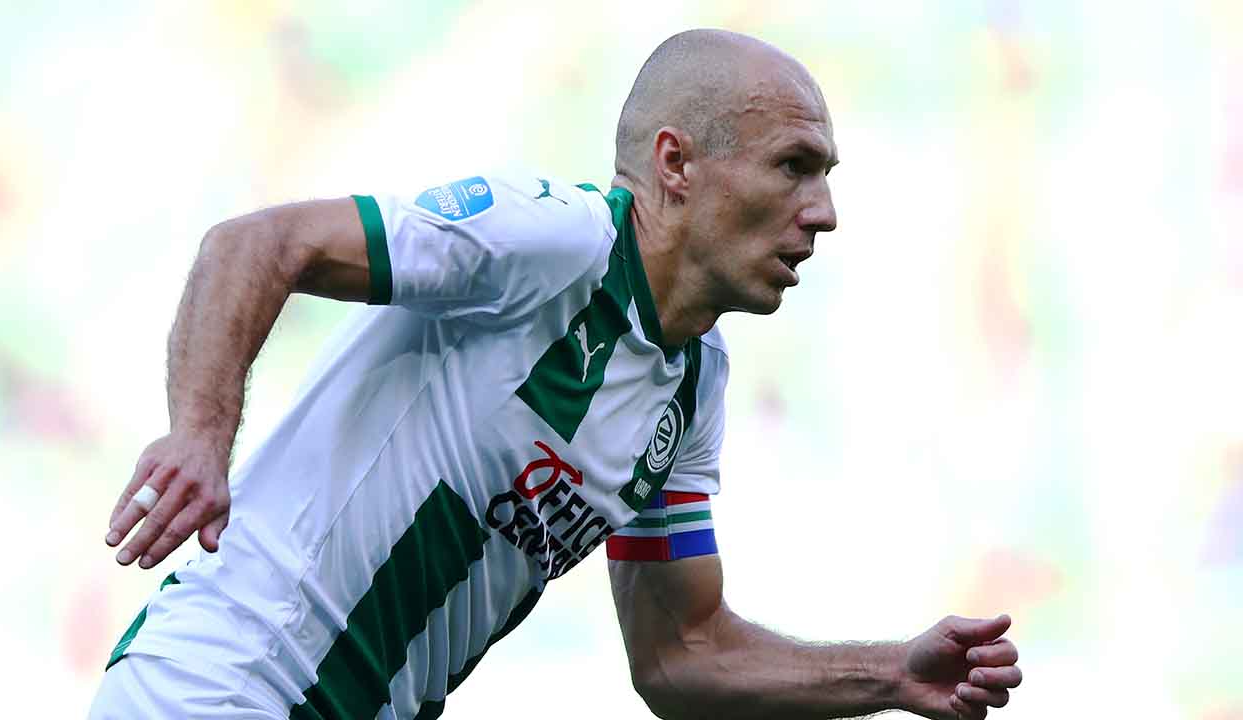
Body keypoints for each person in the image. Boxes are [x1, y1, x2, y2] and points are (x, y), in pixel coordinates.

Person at [92, 28, 1023, 720]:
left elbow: (680, 653)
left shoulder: (691, 387)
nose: (822, 212)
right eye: (793, 167)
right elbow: (257, 243)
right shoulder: (549, 239)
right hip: (223, 681)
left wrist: (889, 674)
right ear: (675, 164)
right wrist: (200, 438)